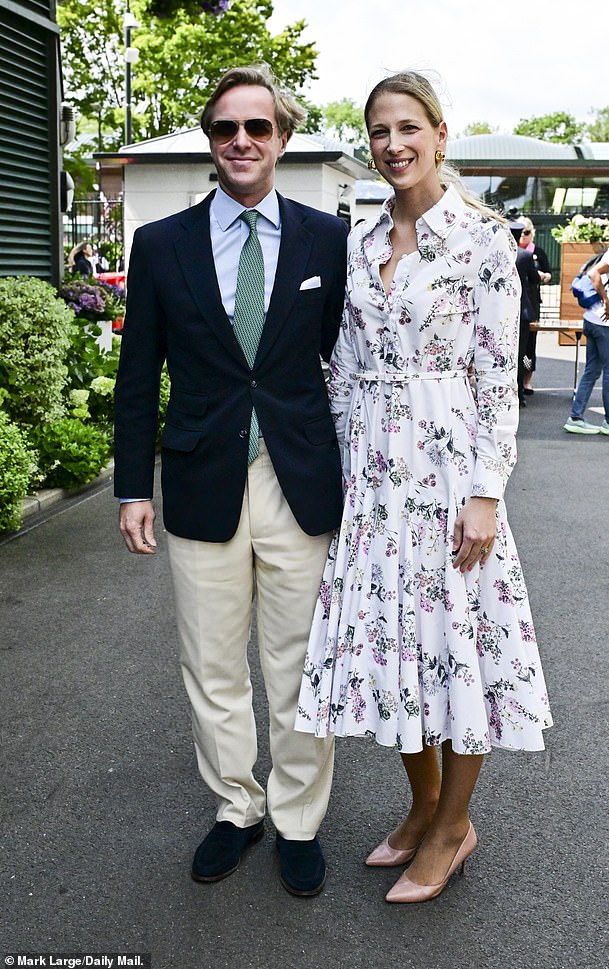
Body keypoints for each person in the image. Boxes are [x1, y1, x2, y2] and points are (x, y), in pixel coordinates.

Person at [295, 71, 552, 904]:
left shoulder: (483, 242)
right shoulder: (360, 241)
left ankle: (453, 828)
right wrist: (336, 464)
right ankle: (423, 803)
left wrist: (486, 491)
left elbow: (494, 379)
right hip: (374, 477)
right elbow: (343, 366)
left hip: (450, 479)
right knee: (393, 642)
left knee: (456, 646)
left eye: (408, 126)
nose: (393, 143)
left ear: (441, 134)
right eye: (378, 131)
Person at [114, 64, 348, 897]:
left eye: (257, 127)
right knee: (212, 663)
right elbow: (138, 370)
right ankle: (236, 806)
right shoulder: (161, 244)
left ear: (282, 138)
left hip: (300, 480)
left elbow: (345, 362)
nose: (241, 141)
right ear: (210, 143)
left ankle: (296, 818)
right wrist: (131, 486)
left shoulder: (329, 239)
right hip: (201, 478)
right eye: (225, 129)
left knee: (295, 663)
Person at [563, 221, 609, 436]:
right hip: (605, 322)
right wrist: (607, 301)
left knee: (592, 370)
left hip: (593, 319)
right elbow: (595, 274)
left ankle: (576, 417)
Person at [516, 216, 552, 394]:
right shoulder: (511, 251)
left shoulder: (538, 252)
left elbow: (548, 274)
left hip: (531, 303)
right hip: (516, 302)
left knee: (529, 344)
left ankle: (526, 379)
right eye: (520, 232)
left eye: (527, 232)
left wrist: (541, 275)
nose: (523, 236)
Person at [509, 221, 541, 407]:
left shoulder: (497, 253)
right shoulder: (525, 255)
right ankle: (519, 393)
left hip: (503, 312)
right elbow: (535, 279)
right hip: (522, 311)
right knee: (522, 354)